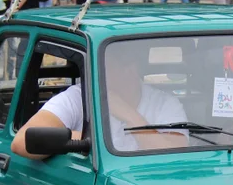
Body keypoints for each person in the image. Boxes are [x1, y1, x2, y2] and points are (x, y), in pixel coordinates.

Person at [11, 47, 187, 158]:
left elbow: (177, 157)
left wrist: (131, 117)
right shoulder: (77, 97)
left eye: (105, 67)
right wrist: (91, 140)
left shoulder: (164, 103)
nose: (96, 74)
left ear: (131, 70)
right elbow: (21, 141)